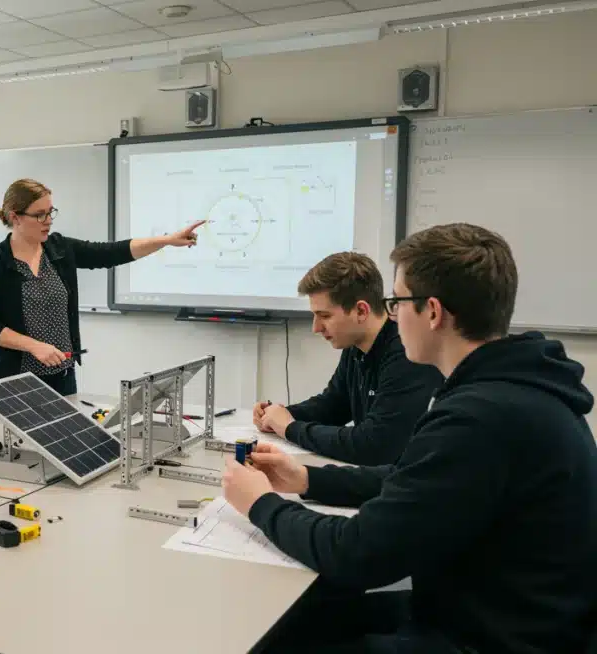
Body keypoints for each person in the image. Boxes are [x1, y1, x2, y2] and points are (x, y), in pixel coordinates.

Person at [222, 223, 597, 653]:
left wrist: (259, 504)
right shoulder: (510, 389)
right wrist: (304, 478)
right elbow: (407, 478)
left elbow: (357, 555)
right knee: (299, 621)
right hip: (485, 610)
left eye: (398, 302)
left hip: (492, 637)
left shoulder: (481, 418)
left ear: (432, 312)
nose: (393, 315)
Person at [0, 178, 204, 396]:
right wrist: (33, 346)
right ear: (16, 217)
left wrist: (167, 240)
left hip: (61, 375)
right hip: (13, 379)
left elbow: (111, 252)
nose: (49, 221)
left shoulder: (59, 249)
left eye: (50, 212)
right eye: (40, 215)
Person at [251, 252, 443, 464]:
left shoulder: (406, 355)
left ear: (361, 311)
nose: (316, 327)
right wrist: (279, 413)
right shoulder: (356, 346)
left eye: (325, 316)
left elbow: (373, 445)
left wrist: (289, 427)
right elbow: (334, 405)